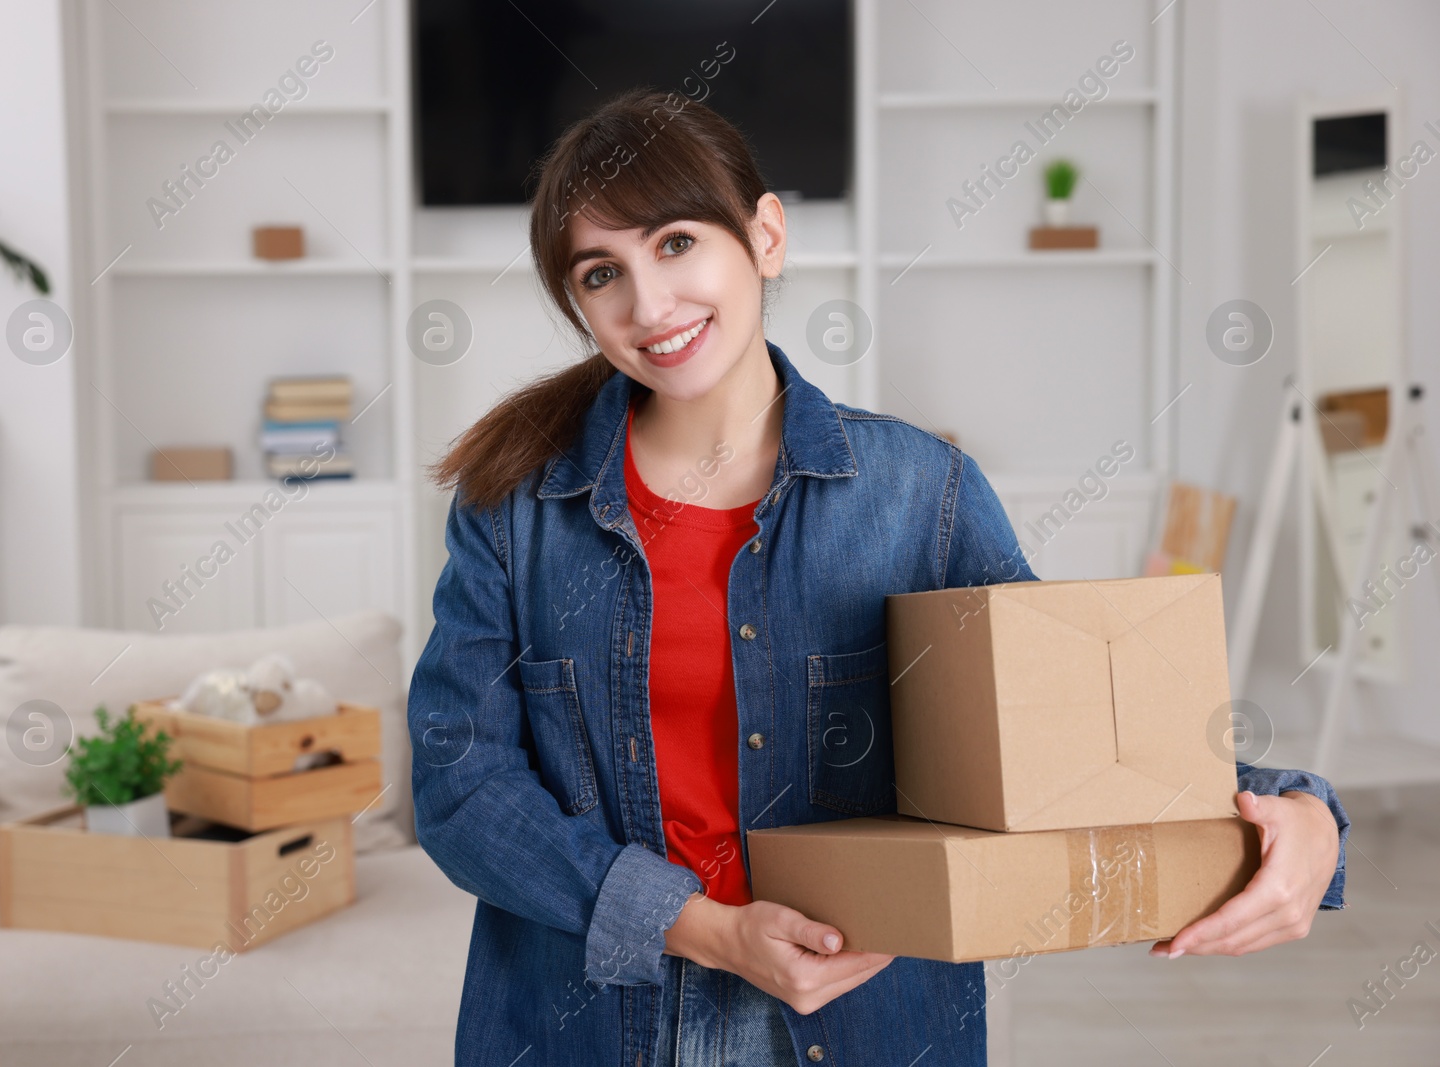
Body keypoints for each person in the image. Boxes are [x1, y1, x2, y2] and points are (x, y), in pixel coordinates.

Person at [407, 87, 1350, 1067]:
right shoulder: (513, 508)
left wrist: (1299, 808)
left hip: (863, 1018)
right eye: (603, 272)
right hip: (593, 1020)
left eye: (677, 243)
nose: (649, 305)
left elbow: (1065, 731)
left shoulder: (919, 492)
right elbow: (461, 786)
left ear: (764, 235)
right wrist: (699, 925)